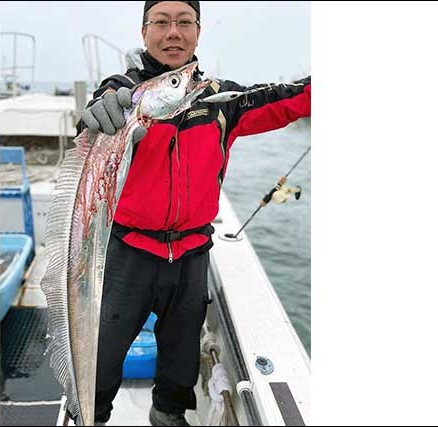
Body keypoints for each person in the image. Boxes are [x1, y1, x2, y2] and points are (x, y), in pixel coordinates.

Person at [77, 1, 311, 425]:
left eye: (184, 22)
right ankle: (89, 416)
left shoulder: (222, 99)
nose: (173, 33)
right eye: (162, 23)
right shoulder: (126, 92)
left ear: (198, 32)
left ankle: (167, 415)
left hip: (191, 255)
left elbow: (291, 100)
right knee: (100, 357)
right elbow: (102, 105)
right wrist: (99, 109)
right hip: (126, 253)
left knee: (182, 360)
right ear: (144, 31)